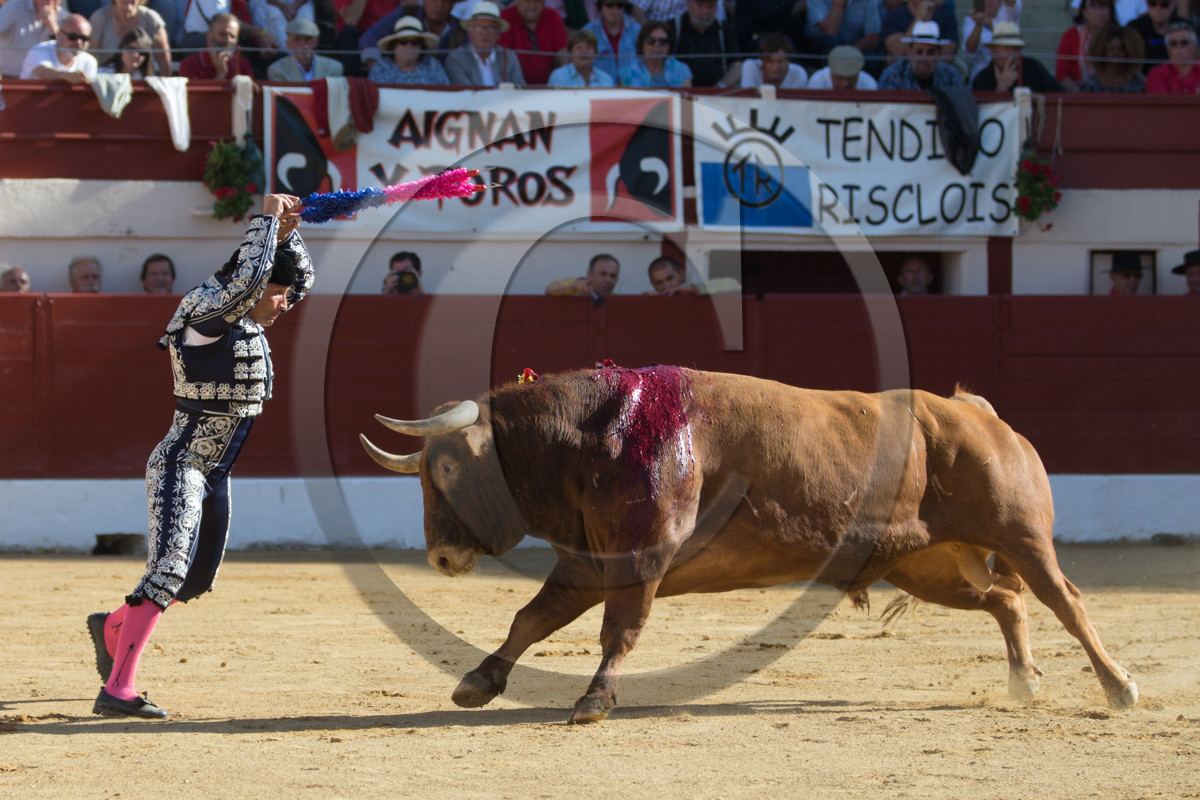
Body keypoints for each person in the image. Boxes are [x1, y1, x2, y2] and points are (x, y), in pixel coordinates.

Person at [85, 194, 312, 721]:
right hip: (181, 466)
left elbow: (297, 280)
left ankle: (112, 627)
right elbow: (247, 285)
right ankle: (117, 689)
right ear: (252, 289)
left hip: (216, 474)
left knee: (195, 580)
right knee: (166, 569)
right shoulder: (203, 313)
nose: (284, 302)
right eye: (274, 295)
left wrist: (285, 233)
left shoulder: (250, 319)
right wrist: (262, 219)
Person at [359, 0, 467, 70]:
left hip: (449, 90)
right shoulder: (405, 13)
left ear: (453, 4)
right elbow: (369, 39)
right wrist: (379, 68)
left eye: (445, 1)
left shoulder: (460, 30)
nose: (439, 5)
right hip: (397, 82)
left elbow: (473, 59)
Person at [444, 1, 525, 86]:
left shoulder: (509, 57)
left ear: (499, 33)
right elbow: (465, 92)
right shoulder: (456, 59)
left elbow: (520, 89)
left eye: (491, 27)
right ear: (470, 31)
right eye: (480, 27)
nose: (485, 33)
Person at [972, 22, 1064, 92]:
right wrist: (1001, 87)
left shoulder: (1034, 69)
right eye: (1006, 48)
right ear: (993, 51)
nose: (1013, 52)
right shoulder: (982, 79)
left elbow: (1059, 94)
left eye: (1016, 48)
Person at [89, 0, 172, 77]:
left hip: (142, 83)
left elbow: (165, 63)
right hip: (106, 80)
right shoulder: (99, 18)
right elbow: (90, 57)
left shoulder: (151, 18)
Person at [668, 0, 740, 87]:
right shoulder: (673, 28)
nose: (705, 11)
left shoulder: (724, 30)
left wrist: (720, 86)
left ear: (717, 8)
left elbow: (737, 66)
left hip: (717, 95)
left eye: (710, 7)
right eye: (700, 5)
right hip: (680, 93)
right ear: (688, 5)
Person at [497, 0, 568, 86]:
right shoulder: (505, 17)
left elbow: (563, 53)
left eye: (537, 1)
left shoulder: (552, 15)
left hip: (549, 87)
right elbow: (501, 57)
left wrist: (565, 82)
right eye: (527, 1)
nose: (532, 5)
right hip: (515, 88)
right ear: (517, 2)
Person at [878, 20, 963, 89]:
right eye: (919, 52)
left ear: (938, 53)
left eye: (930, 52)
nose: (924, 57)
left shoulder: (950, 75)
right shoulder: (893, 75)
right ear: (909, 52)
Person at [366, 15, 449, 84]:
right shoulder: (381, 68)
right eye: (403, 41)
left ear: (421, 47)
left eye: (415, 42)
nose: (409, 46)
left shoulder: (433, 65)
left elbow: (447, 94)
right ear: (394, 46)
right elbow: (372, 97)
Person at [20, 12, 98, 83]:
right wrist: (67, 76)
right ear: (59, 34)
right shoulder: (39, 50)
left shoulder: (89, 62)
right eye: (73, 37)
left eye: (84, 38)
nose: (78, 42)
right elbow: (43, 72)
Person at [1056, 0, 1116, 92]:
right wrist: (1082, 96)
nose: (1099, 13)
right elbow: (1061, 75)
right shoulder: (1071, 35)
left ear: (1111, 11)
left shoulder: (1120, 36)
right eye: (1093, 7)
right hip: (1078, 94)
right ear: (1084, 12)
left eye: (1103, 7)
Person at [0, 0, 68, 78]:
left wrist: (54, 29)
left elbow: (68, 51)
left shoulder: (65, 18)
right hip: (9, 76)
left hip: (46, 81)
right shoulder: (14, 6)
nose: (49, 3)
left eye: (55, 0)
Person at [178, 11, 253, 80]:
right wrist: (221, 74)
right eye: (222, 34)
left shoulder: (243, 65)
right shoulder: (189, 65)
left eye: (232, 36)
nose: (228, 40)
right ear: (208, 35)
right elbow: (195, 95)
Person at [961, 0, 1021, 83]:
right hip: (980, 80)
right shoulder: (970, 21)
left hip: (1009, 75)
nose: (988, 1)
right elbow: (970, 49)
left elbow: (1011, 3)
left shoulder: (1006, 15)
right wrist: (978, 24)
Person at [268, 16, 344, 80]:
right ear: (288, 44)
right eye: (297, 39)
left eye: (307, 39)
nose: (303, 44)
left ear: (315, 42)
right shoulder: (277, 70)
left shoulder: (333, 68)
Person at [619, 19, 692, 85]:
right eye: (651, 41)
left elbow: (686, 98)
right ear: (641, 44)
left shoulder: (682, 70)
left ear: (670, 45)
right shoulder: (626, 73)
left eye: (663, 41)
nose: (657, 45)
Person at [882, 0, 959, 62]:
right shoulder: (892, 17)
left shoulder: (947, 18)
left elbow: (947, 58)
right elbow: (898, 54)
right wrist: (919, 19)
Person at [1081, 23, 1147, 91]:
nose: (1115, 52)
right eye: (1110, 48)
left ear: (1130, 50)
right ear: (1101, 50)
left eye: (1121, 48)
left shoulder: (1139, 84)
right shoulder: (1091, 84)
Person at [584, 0, 640, 81]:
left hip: (631, 87)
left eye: (619, 5)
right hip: (600, 86)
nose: (615, 10)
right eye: (610, 5)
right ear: (601, 7)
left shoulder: (637, 30)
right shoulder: (588, 31)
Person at [803, 0, 881, 57]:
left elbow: (872, 39)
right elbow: (831, 30)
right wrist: (839, 3)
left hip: (854, 46)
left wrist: (849, 52)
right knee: (832, 40)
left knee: (871, 57)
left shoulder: (870, 1)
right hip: (820, 44)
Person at [1128, 0, 1184, 73]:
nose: (1158, 8)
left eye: (1164, 4)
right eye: (1153, 3)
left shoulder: (1184, 28)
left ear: (1173, 4)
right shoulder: (1134, 28)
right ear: (1147, 4)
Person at [740, 31, 808, 88]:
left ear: (788, 60)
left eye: (780, 61)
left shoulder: (798, 74)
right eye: (770, 61)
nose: (775, 67)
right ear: (761, 59)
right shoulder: (751, 66)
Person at [1146, 18, 1200, 90]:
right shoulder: (1158, 73)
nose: (1179, 47)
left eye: (1184, 42)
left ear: (1194, 46)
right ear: (1168, 48)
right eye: (1173, 43)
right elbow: (1160, 100)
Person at [548, 28, 617, 85]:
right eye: (578, 47)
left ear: (595, 53)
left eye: (588, 47)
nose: (584, 52)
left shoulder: (606, 79)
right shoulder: (558, 77)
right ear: (570, 53)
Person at [646, 255, 741, 295]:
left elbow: (734, 285)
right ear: (653, 284)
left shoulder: (694, 290)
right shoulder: (654, 298)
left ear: (681, 274)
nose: (666, 285)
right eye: (659, 282)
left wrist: (693, 289)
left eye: (670, 278)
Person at [545, 253, 620, 301]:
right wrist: (576, 285)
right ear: (589, 274)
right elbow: (549, 290)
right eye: (602, 274)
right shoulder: (576, 293)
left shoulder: (618, 301)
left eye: (613, 276)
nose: (608, 280)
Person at [807, 43, 879, 88]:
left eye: (850, 78)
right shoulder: (817, 81)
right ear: (831, 72)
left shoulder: (869, 84)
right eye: (839, 77)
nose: (845, 84)